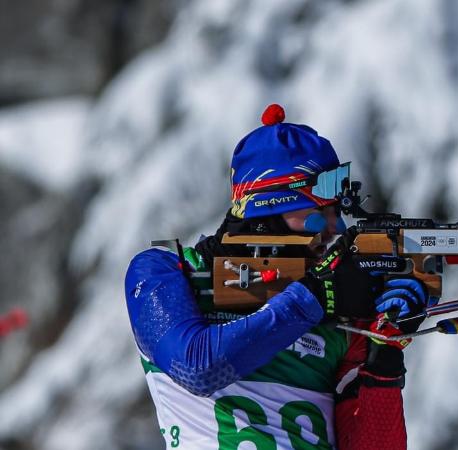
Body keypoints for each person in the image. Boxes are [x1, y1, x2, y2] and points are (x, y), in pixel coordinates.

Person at [124, 104, 430, 449]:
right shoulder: (168, 272)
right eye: (320, 211)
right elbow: (196, 367)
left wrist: (384, 358)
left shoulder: (335, 312)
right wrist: (314, 297)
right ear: (272, 204)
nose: (336, 227)